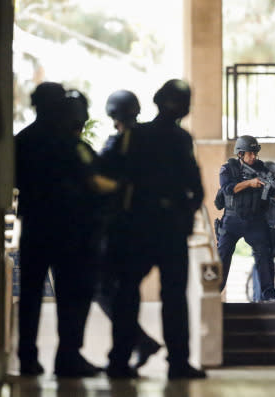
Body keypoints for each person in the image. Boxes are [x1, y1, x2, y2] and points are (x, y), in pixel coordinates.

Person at [98, 79, 206, 380]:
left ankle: (119, 361)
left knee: (127, 294)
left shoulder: (135, 136)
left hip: (137, 228)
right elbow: (196, 188)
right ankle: (178, 363)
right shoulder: (181, 139)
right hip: (168, 228)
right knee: (172, 297)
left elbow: (105, 173)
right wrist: (185, 216)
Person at [15, 83, 117, 377]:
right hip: (72, 232)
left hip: (35, 228)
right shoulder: (71, 145)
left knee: (30, 297)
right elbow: (97, 183)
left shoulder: (21, 141)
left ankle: (27, 359)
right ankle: (68, 357)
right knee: (73, 296)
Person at [93, 89, 162, 370]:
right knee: (125, 292)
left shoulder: (119, 144)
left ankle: (123, 355)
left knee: (107, 291)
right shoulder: (153, 142)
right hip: (148, 230)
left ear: (113, 116)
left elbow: (99, 181)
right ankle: (135, 346)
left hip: (122, 231)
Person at [216, 135, 275, 302]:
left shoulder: (263, 170)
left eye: (255, 153)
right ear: (240, 154)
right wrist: (249, 183)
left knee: (265, 255)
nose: (253, 156)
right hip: (232, 220)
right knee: (223, 256)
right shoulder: (228, 169)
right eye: (250, 153)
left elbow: (269, 192)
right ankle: (213, 294)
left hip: (255, 220)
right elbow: (227, 189)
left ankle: (269, 296)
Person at [250, 161, 275, 302]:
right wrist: (274, 200)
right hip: (260, 227)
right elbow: (260, 204)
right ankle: (260, 297)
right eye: (273, 173)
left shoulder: (271, 187)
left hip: (268, 228)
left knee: (265, 261)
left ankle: (263, 296)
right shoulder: (260, 186)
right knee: (262, 261)